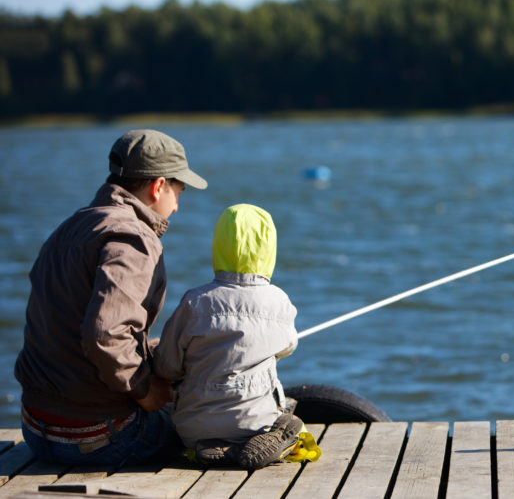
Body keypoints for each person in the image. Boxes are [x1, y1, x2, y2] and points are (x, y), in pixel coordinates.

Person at [15, 129, 207, 466]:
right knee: (204, 424)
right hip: (97, 437)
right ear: (158, 186)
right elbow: (104, 334)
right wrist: (145, 390)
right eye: (179, 191)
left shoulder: (72, 226)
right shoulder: (133, 238)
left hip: (36, 429)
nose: (176, 206)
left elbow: (75, 331)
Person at [153, 204, 305, 469]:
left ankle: (216, 448)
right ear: (269, 250)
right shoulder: (279, 301)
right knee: (286, 413)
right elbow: (288, 346)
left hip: (193, 427)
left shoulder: (195, 302)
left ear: (218, 246)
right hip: (256, 422)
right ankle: (274, 440)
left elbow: (167, 366)